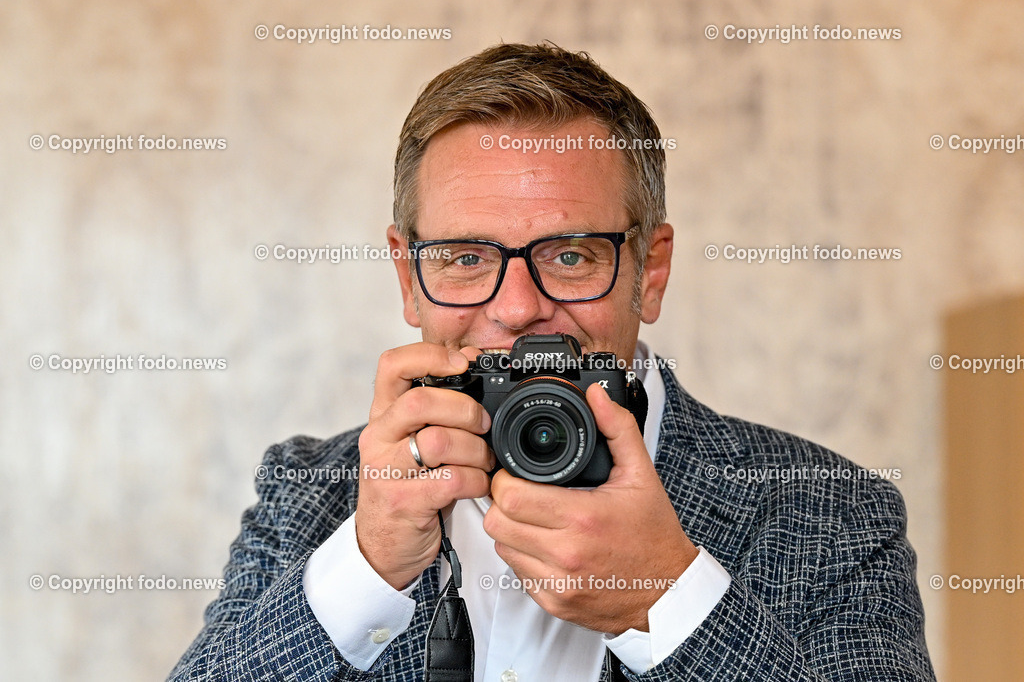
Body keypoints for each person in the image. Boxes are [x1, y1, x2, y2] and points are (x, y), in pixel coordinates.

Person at [171, 42, 935, 681]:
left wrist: (664, 598)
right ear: (408, 276)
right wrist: (365, 570)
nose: (515, 308)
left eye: (569, 254)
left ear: (651, 270)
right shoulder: (309, 496)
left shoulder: (831, 514)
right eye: (467, 257)